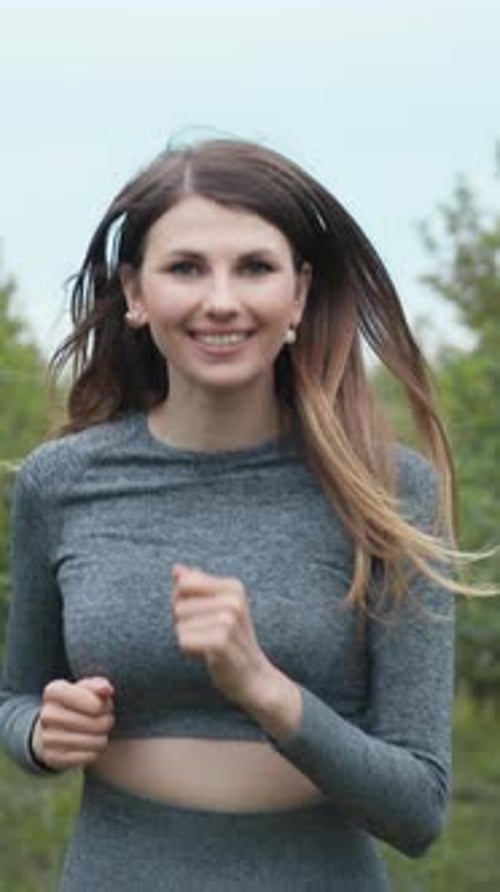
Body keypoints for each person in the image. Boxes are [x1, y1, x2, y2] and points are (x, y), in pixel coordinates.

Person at [0, 137, 463, 891]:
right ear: (137, 295)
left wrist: (262, 686)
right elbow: (15, 698)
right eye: (186, 268)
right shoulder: (61, 482)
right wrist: (41, 734)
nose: (222, 299)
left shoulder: (388, 494)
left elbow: (418, 810)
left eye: (254, 267)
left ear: (300, 295)